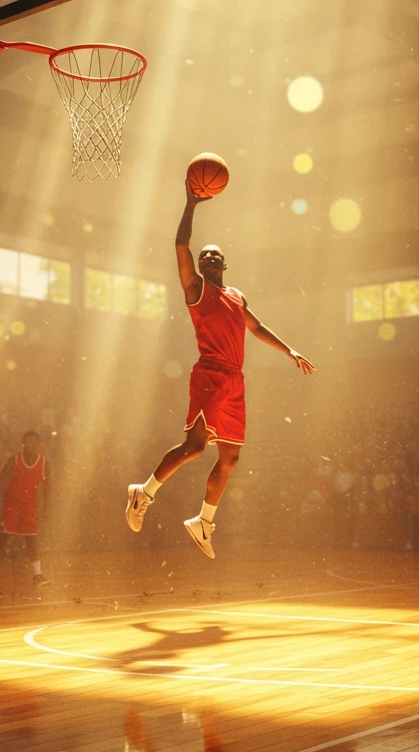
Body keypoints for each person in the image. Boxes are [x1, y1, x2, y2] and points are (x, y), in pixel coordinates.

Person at [125, 177, 314, 558]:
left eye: (214, 255)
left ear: (225, 264)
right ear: (198, 266)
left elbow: (256, 328)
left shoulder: (236, 296)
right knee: (195, 447)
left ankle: (204, 522)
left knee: (231, 458)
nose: (207, 258)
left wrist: (289, 350)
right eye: (203, 256)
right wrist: (191, 205)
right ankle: (143, 493)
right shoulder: (196, 289)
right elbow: (180, 244)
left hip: (235, 381)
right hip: (210, 372)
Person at [0, 430, 51, 587]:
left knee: (31, 539)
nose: (31, 445)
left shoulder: (44, 463)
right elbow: (0, 480)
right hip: (12, 503)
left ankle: (37, 575)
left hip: (30, 505)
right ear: (23, 444)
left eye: (34, 442)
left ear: (38, 445)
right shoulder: (14, 459)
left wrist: (46, 507)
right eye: (28, 442)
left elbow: (48, 487)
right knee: (4, 537)